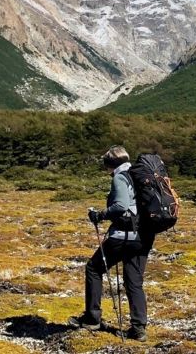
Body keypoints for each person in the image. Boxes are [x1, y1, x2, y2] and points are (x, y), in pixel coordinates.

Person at [70, 146, 154, 341]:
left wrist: (100, 215)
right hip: (144, 236)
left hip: (123, 236)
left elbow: (121, 206)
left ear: (110, 164)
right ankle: (138, 328)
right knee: (134, 281)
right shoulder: (139, 175)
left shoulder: (121, 177)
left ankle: (92, 318)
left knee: (93, 268)